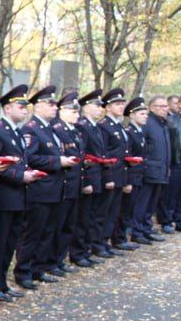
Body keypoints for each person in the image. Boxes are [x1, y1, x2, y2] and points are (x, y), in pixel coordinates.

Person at [14, 85, 78, 287]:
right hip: (40, 189)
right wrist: (58, 162)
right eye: (50, 104)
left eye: (55, 104)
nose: (55, 108)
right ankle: (24, 272)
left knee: (48, 231)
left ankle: (38, 268)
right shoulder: (31, 129)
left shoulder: (51, 130)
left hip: (55, 189)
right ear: (38, 106)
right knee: (33, 233)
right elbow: (30, 157)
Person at [0, 85, 38, 302]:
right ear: (7, 108)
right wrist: (19, 176)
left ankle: (1, 283)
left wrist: (27, 173)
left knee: (10, 242)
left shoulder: (16, 131)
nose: (25, 110)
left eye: (26, 107)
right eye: (20, 106)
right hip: (4, 196)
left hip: (18, 196)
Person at [49, 91, 85, 272]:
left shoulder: (75, 132)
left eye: (77, 112)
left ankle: (59, 260)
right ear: (61, 111)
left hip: (74, 185)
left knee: (68, 226)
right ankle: (52, 261)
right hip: (63, 185)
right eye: (73, 111)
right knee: (58, 225)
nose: (77, 115)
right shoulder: (57, 130)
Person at [97, 88, 137, 252]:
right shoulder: (104, 126)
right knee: (103, 213)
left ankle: (105, 241)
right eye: (117, 104)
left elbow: (123, 154)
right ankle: (98, 244)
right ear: (107, 107)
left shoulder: (119, 126)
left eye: (122, 104)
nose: (121, 107)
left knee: (113, 213)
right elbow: (105, 154)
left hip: (121, 175)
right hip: (110, 175)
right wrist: (109, 177)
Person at [75, 89, 113, 259]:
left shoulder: (95, 127)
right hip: (89, 176)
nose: (100, 109)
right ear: (86, 107)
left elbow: (101, 154)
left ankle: (87, 248)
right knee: (83, 218)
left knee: (93, 215)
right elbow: (85, 157)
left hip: (97, 176)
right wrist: (87, 181)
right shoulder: (83, 126)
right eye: (97, 106)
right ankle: (79, 252)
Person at [134, 96, 170, 242]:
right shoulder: (148, 123)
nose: (165, 109)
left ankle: (146, 228)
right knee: (142, 202)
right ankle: (137, 231)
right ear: (152, 107)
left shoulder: (163, 124)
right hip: (149, 169)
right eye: (161, 106)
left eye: (166, 106)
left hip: (161, 169)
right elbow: (141, 147)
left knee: (152, 203)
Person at [119, 97, 148, 244]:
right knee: (125, 209)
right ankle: (120, 237)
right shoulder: (129, 132)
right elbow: (127, 158)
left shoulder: (139, 132)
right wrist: (128, 180)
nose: (145, 117)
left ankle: (124, 235)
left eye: (146, 114)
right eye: (142, 114)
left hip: (139, 176)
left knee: (131, 208)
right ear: (132, 115)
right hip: (131, 176)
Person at [162, 93, 181, 232]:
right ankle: (167, 221)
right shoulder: (172, 121)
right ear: (180, 105)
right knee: (172, 193)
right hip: (177, 162)